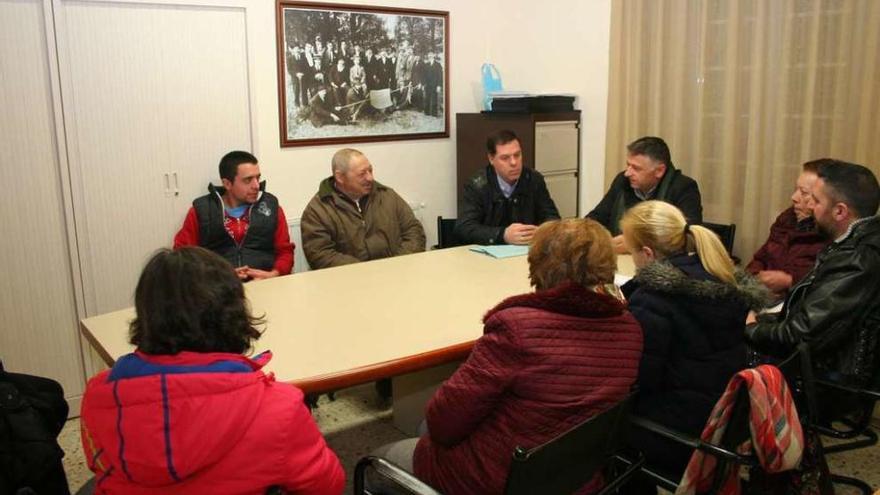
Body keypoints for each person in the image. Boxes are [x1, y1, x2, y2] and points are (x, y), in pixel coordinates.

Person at [371, 218, 643, 494]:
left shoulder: (517, 329)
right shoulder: (630, 329)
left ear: (538, 263)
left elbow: (444, 423)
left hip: (500, 481)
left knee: (383, 458)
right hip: (575, 478)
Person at [80, 247, 345, 494]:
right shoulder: (278, 407)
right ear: (233, 314)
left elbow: (99, 467)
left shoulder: (98, 395)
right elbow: (328, 485)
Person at [619, 200, 767, 486]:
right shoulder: (720, 275)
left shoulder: (655, 301)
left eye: (631, 250)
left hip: (678, 431)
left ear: (647, 253)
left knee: (592, 426)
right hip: (721, 418)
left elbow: (639, 381)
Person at [745, 160, 880, 387]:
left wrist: (750, 328)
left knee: (710, 354)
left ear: (839, 211)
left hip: (826, 381)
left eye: (816, 201)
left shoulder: (857, 260)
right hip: (816, 363)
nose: (809, 206)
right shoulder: (849, 244)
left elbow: (798, 335)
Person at [173, 151, 293, 281]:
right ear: (227, 184)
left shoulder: (271, 207)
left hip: (266, 284)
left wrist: (273, 275)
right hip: (217, 288)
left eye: (257, 178)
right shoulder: (201, 211)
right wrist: (218, 276)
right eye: (248, 180)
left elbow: (285, 252)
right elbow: (182, 257)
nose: (256, 186)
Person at [301, 148, 426, 269]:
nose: (370, 178)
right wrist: (366, 271)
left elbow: (414, 231)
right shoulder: (317, 211)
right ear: (339, 177)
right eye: (362, 174)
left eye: (370, 170)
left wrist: (397, 263)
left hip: (397, 274)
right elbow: (320, 255)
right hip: (348, 283)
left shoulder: (387, 196)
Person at [587, 136, 702, 252]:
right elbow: (597, 218)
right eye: (628, 165)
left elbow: (689, 235)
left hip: (662, 264)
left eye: (636, 168)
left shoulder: (683, 187)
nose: (628, 173)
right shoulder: (622, 181)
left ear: (659, 171)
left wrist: (635, 243)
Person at [454, 129, 560, 245]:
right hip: (487, 256)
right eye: (505, 158)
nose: (514, 162)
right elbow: (464, 228)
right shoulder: (477, 186)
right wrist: (502, 234)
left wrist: (541, 232)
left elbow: (553, 219)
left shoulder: (533, 180)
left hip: (526, 253)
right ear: (491, 159)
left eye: (517, 155)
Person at [746, 159, 831, 299]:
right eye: (795, 189)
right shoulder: (787, 218)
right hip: (762, 298)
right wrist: (753, 278)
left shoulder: (832, 232)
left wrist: (790, 281)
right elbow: (761, 257)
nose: (794, 198)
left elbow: (827, 285)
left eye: (804, 193)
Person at [421, 51, 443, 117]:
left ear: (434, 55)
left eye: (431, 54)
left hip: (435, 85)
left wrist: (439, 85)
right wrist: (423, 84)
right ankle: (427, 112)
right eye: (429, 55)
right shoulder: (426, 65)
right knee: (427, 98)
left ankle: (434, 113)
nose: (430, 56)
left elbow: (440, 76)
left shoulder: (438, 65)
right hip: (427, 85)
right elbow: (424, 76)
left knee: (434, 99)